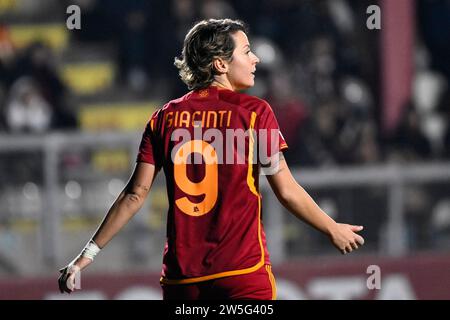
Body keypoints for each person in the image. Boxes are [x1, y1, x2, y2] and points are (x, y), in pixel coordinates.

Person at [58, 18, 365, 300]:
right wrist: (331, 228)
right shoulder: (256, 113)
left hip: (183, 282)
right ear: (220, 63)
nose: (255, 59)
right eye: (246, 52)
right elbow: (285, 190)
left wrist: (85, 257)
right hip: (242, 273)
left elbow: (135, 194)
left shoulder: (164, 118)